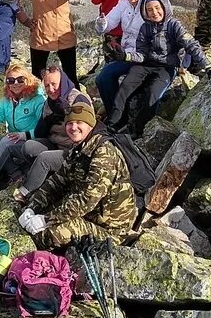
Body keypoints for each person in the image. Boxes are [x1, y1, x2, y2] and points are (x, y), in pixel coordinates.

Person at [19, 101, 137, 249]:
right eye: (70, 123)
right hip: (87, 214)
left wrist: (46, 220)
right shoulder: (80, 147)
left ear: (91, 125)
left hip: (109, 228)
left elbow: (86, 200)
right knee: (27, 214)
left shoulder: (104, 154)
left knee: (48, 235)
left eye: (79, 122)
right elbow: (56, 182)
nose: (73, 128)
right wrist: (33, 207)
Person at [109, 0, 211, 136]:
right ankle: (114, 124)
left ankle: (141, 131)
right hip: (146, 64)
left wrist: (206, 66)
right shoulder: (145, 28)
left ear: (164, 7)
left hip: (167, 67)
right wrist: (126, 56)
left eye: (157, 8)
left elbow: (190, 44)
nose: (154, 12)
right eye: (150, 10)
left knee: (153, 94)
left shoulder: (174, 25)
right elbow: (142, 54)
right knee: (125, 86)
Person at [14, 0, 89, 83]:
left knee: (70, 76)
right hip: (40, 34)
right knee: (37, 77)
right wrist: (24, 19)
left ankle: (75, 103)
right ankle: (38, 104)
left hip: (64, 34)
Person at [14, 66, 88, 203]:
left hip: (74, 150)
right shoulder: (49, 102)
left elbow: (86, 131)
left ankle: (25, 192)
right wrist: (48, 120)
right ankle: (44, 177)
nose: (50, 89)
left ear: (63, 82)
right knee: (28, 147)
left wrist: (66, 115)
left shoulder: (78, 99)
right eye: (47, 85)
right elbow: (39, 133)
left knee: (44, 158)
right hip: (55, 143)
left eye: (54, 84)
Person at [93, 0, 155, 115]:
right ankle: (113, 112)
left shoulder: (151, 8)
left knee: (129, 83)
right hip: (126, 54)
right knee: (103, 78)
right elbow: (109, 23)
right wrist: (102, 23)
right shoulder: (123, 3)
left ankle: (124, 116)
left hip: (145, 58)